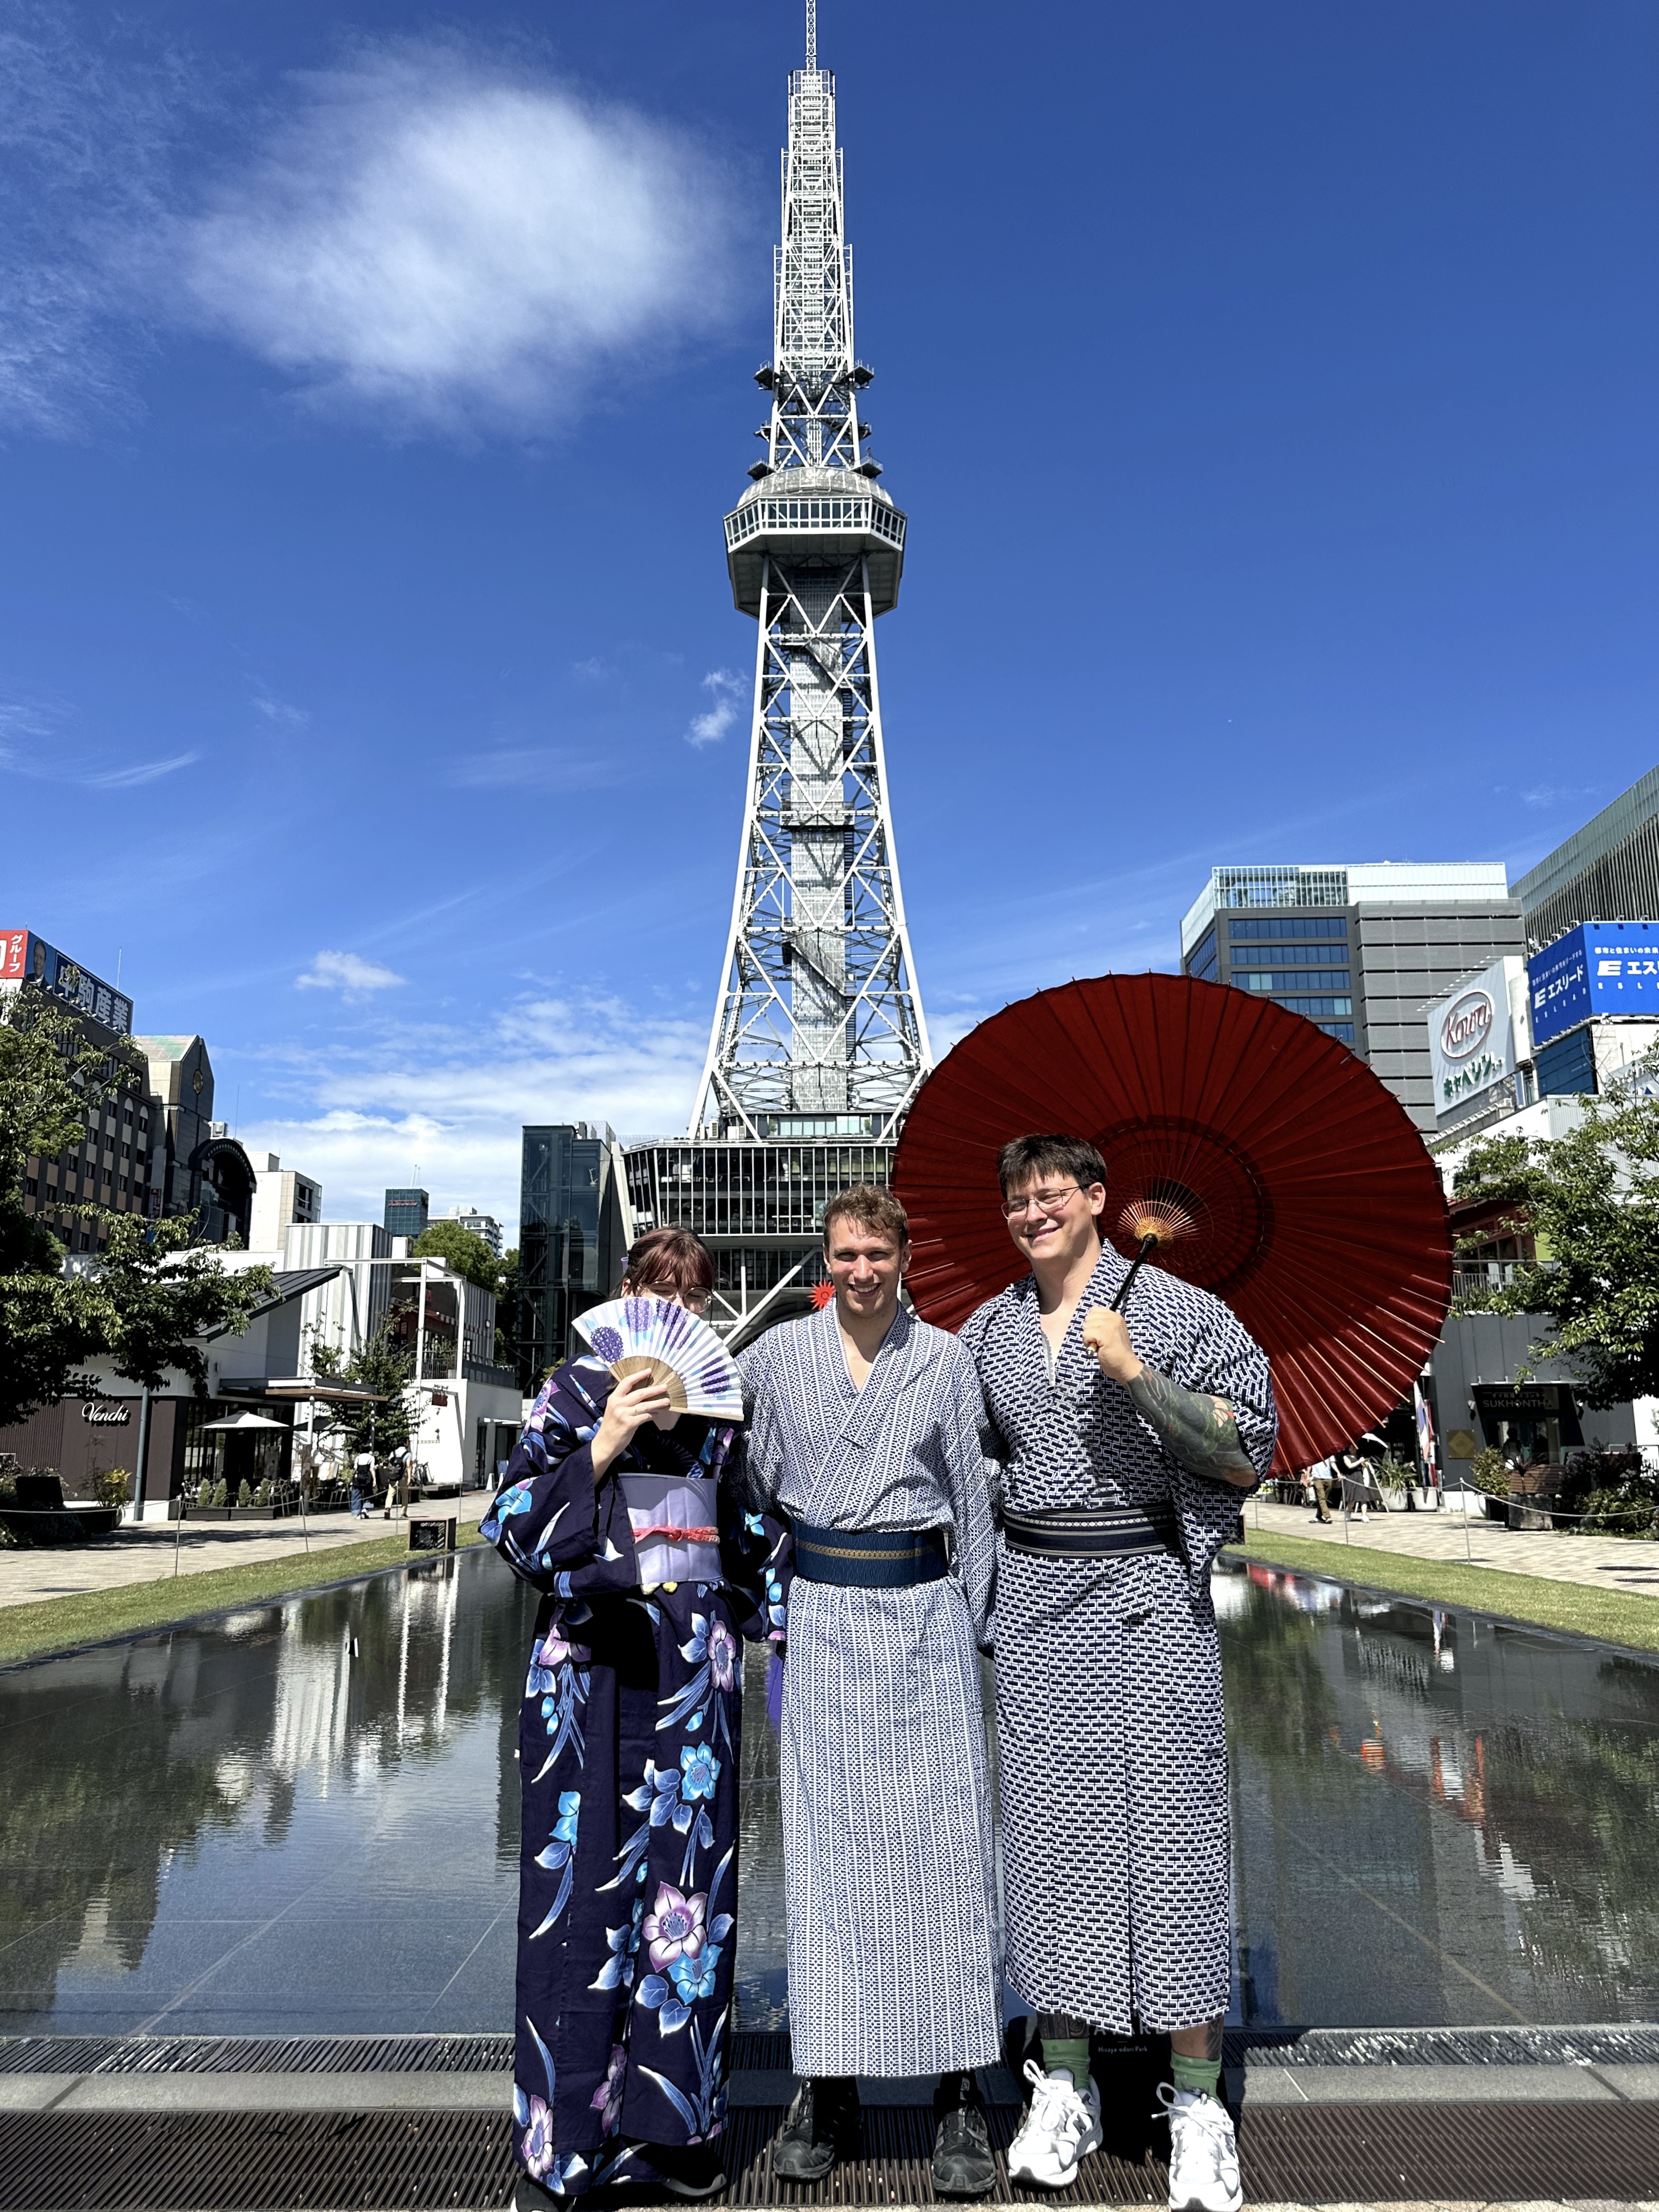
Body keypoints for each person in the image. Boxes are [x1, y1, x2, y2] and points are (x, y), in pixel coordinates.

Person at [961, 1136, 1276, 2212]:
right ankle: (1067, 2084)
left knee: (1176, 1845)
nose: (1034, 1212)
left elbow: (1247, 1453)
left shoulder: (1181, 1312)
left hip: (1149, 1604)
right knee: (1051, 1846)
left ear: (1100, 1200)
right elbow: (971, 1464)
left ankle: (1197, 2104)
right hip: (1042, 1611)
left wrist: (1135, 1374)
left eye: (1053, 1194)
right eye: (1019, 1199)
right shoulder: (990, 1332)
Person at [483, 1228, 787, 2207]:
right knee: (578, 1892)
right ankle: (565, 2140)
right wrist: (604, 1441)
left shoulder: (716, 1415)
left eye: (694, 1294)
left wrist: (803, 1630)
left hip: (690, 1673)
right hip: (590, 1667)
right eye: (661, 1287)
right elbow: (515, 1529)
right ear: (625, 1295)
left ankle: (676, 2127)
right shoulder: (570, 1393)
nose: (678, 1306)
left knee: (688, 1893)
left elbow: (748, 1538)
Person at [740, 1185, 1002, 2199]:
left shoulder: (944, 1360)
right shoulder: (775, 1359)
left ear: (905, 1261)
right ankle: (828, 2085)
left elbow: (974, 1505)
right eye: (846, 1255)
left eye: (878, 1255)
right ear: (826, 1261)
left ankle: (959, 2093)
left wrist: (975, 1623)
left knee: (946, 1858)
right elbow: (748, 1489)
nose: (862, 1271)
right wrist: (768, 1611)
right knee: (825, 1862)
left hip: (924, 1623)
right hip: (822, 1626)